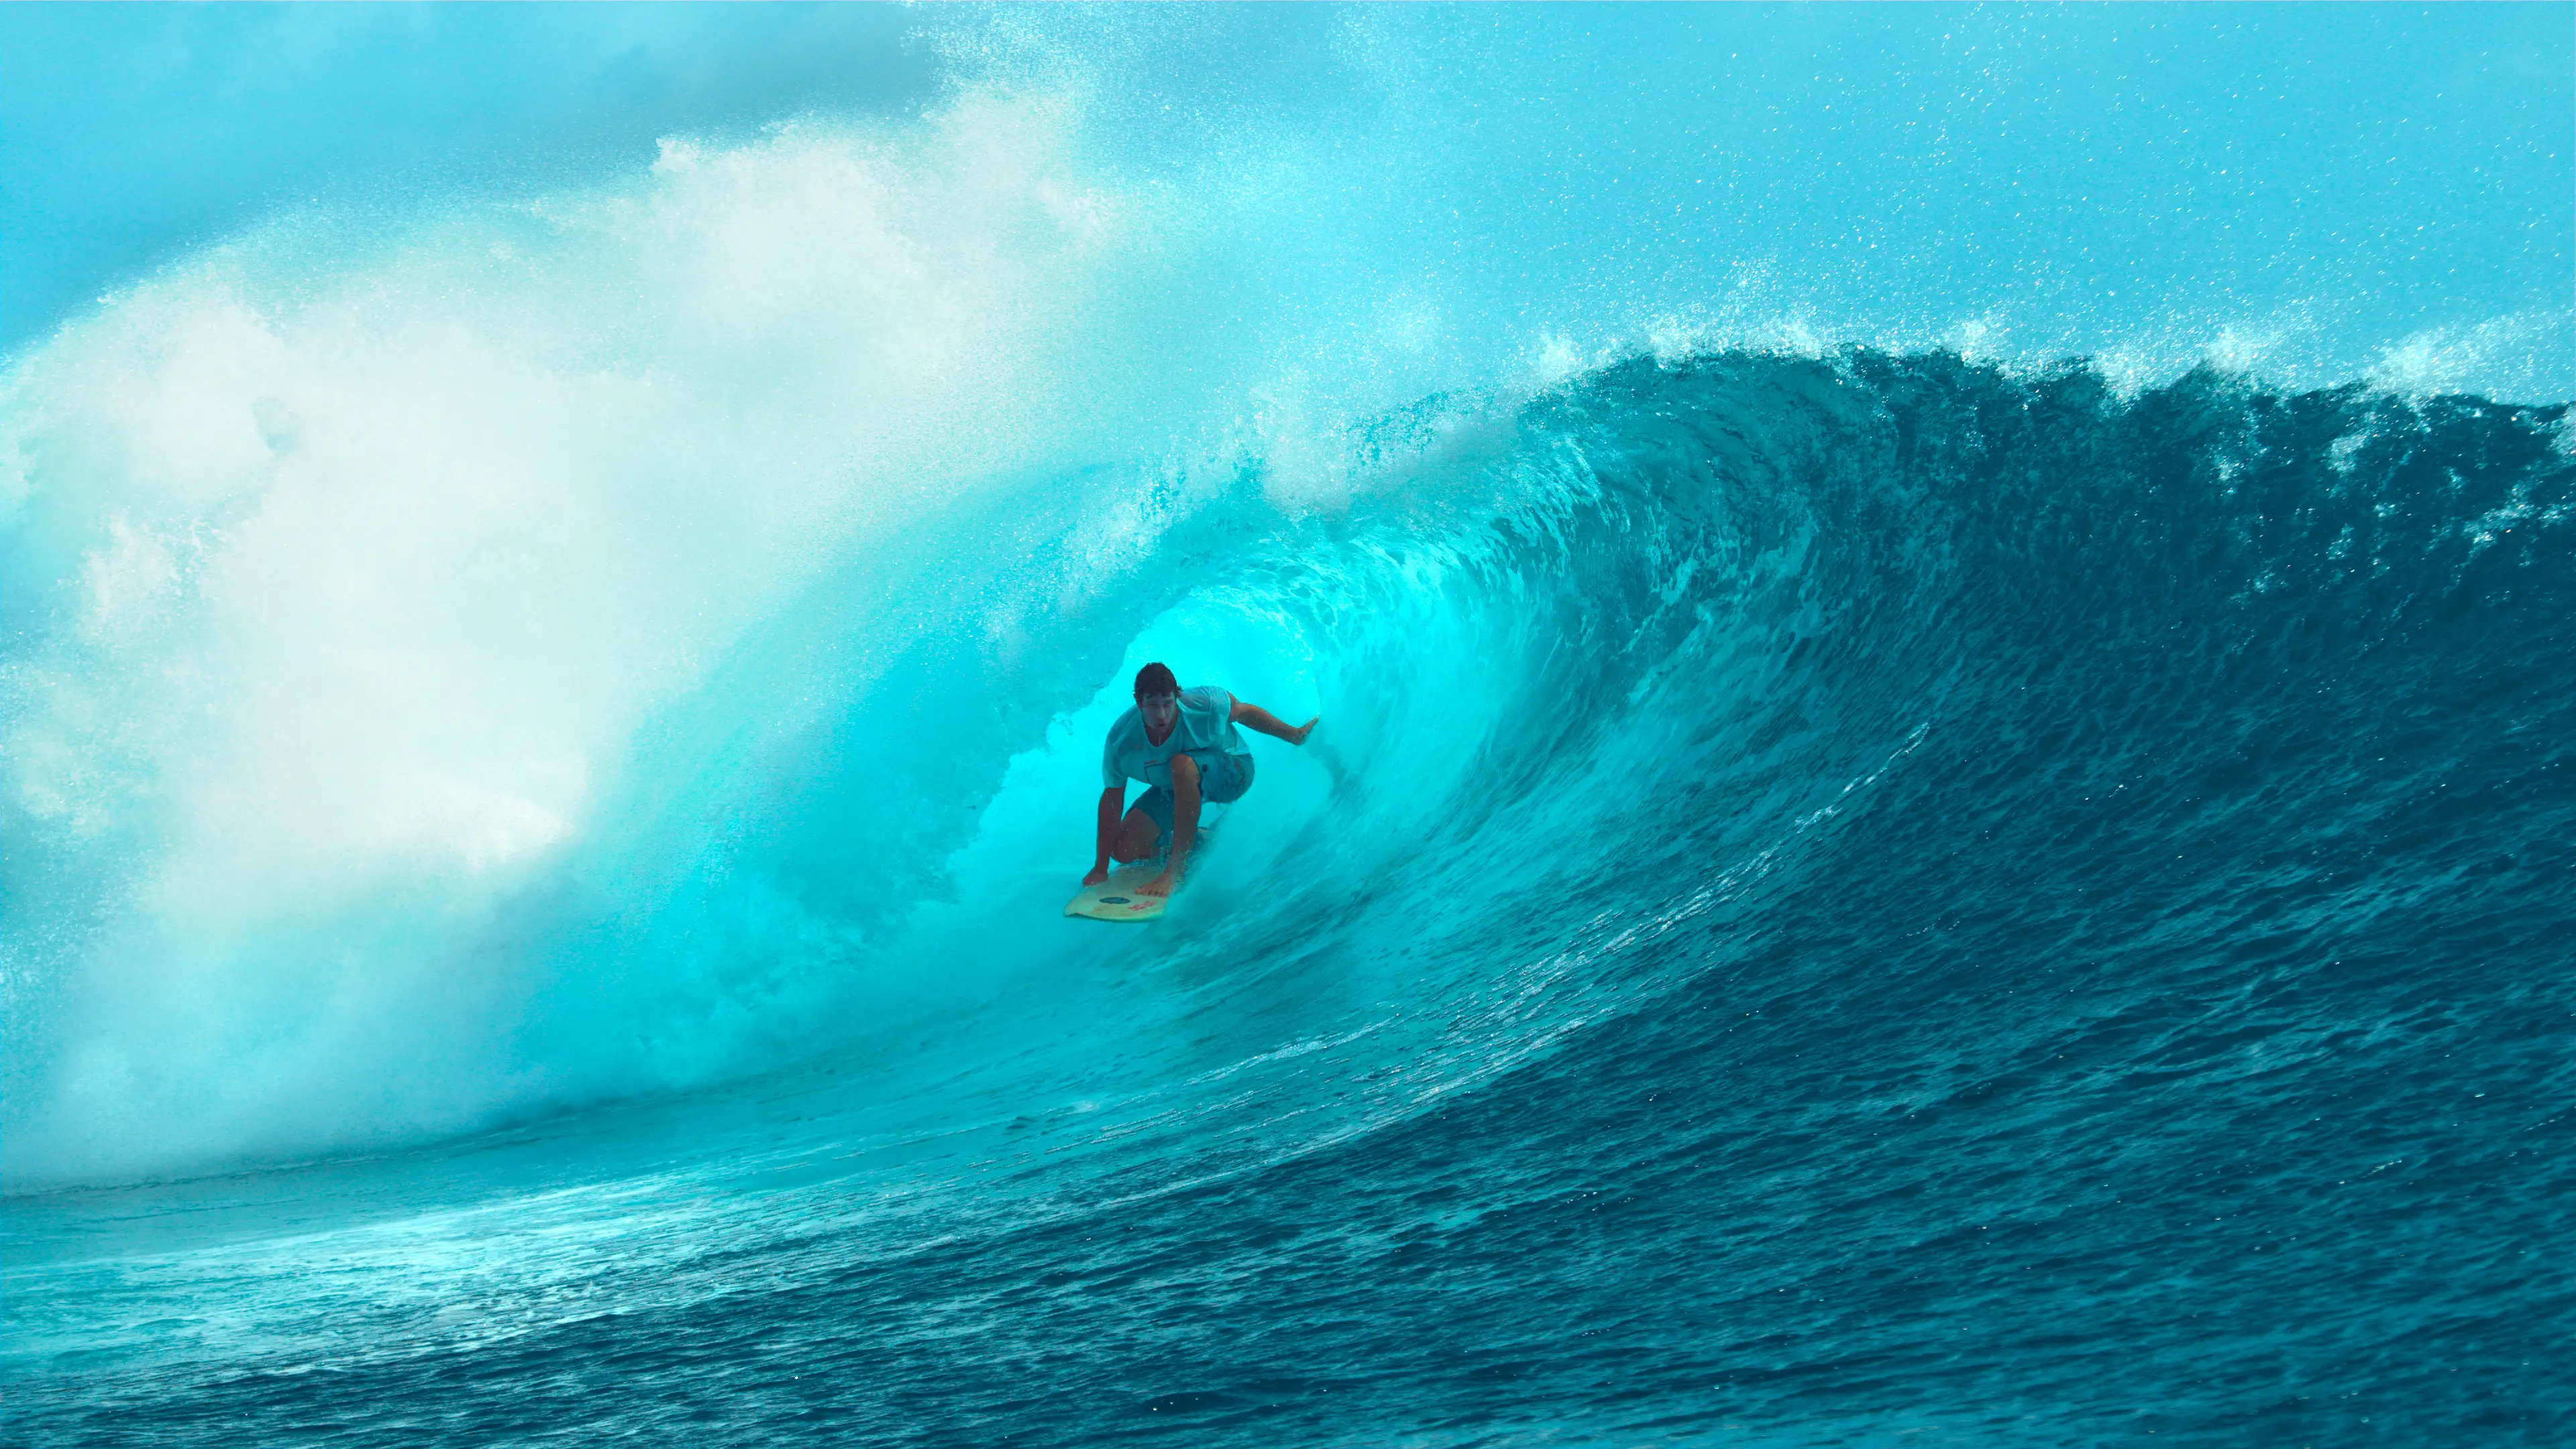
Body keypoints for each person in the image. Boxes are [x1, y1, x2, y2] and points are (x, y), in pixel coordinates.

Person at [1086, 662, 1318, 898]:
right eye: (1152, 706)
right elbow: (1112, 798)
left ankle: (1176, 869)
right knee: (1124, 850)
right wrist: (1101, 867)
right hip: (1176, 786)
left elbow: (1245, 712)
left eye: (1167, 704)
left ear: (1177, 695)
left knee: (1181, 765)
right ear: (1138, 702)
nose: (1162, 715)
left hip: (1234, 772)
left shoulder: (1206, 703)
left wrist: (1295, 735)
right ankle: (1198, 838)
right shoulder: (1122, 742)